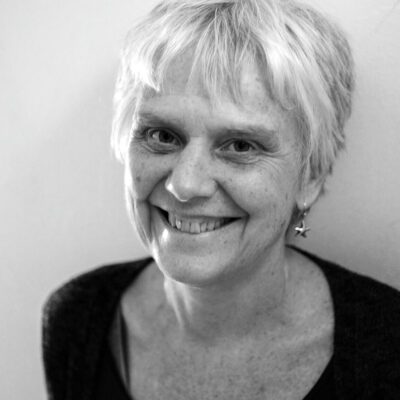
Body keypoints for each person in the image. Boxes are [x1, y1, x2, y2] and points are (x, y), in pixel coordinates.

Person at [42, 0, 400, 399]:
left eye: (241, 145)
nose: (185, 185)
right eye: (162, 136)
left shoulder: (389, 351)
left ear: (310, 175)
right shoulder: (79, 321)